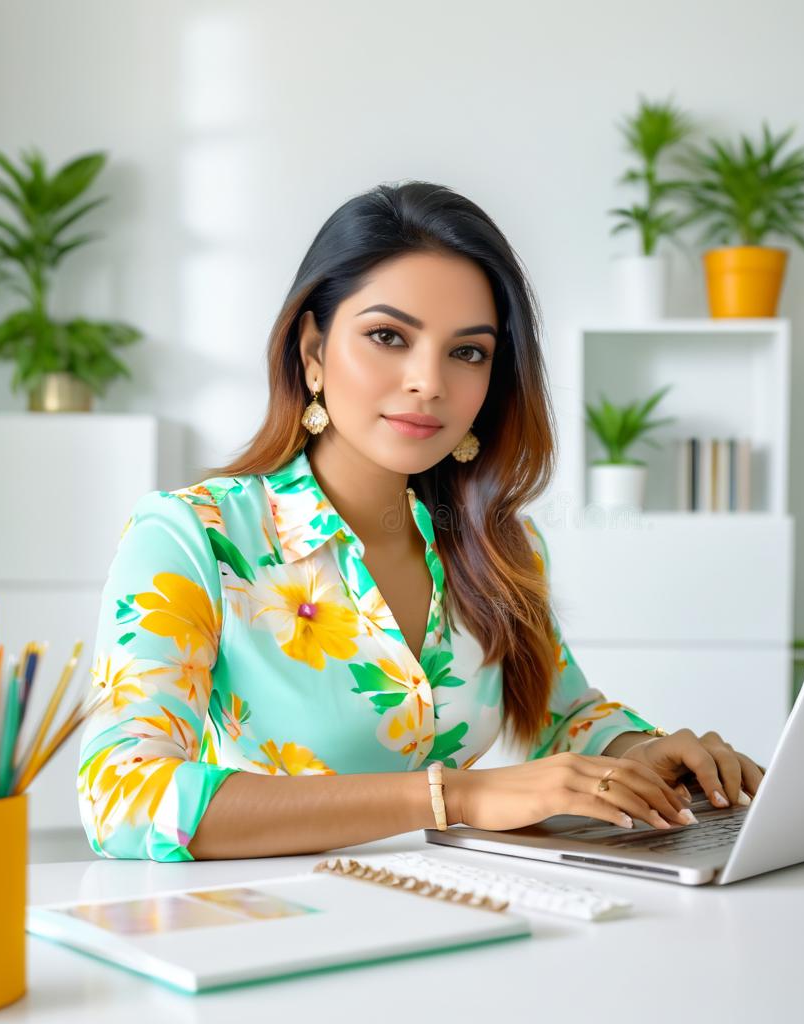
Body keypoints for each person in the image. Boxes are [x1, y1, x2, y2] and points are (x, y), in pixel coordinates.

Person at [76, 180, 765, 861]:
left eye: (468, 352)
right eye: (387, 336)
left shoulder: (498, 545)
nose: (429, 381)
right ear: (313, 351)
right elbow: (123, 801)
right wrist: (456, 798)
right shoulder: (192, 537)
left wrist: (644, 752)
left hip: (463, 909)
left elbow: (563, 716)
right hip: (276, 928)